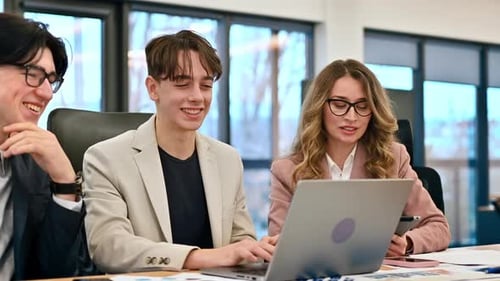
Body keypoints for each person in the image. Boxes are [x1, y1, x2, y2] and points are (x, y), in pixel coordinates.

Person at [83, 30, 278, 273]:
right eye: (183, 84)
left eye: (205, 85)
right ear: (153, 89)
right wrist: (201, 257)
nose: (197, 97)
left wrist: (258, 250)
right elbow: (109, 247)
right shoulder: (106, 159)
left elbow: (240, 242)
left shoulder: (227, 159)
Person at [268, 59, 451, 256]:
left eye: (362, 106)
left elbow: (438, 227)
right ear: (319, 107)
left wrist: (408, 242)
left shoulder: (393, 158)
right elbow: (278, 248)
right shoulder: (287, 169)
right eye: (339, 105)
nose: (352, 117)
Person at [0, 13, 97, 280]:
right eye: (32, 74)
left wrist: (65, 182)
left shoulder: (35, 163)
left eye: (50, 80)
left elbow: (57, 272)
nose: (46, 93)